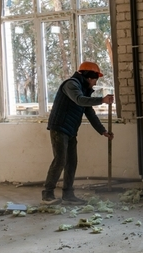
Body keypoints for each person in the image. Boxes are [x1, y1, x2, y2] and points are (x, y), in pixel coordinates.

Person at [42, 62, 114, 204]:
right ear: (89, 77)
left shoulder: (83, 90)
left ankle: (68, 195)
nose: (95, 83)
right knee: (60, 160)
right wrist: (102, 100)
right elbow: (79, 100)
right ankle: (47, 195)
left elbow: (90, 113)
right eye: (95, 80)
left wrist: (103, 131)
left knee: (71, 162)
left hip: (71, 130)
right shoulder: (71, 85)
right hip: (59, 128)